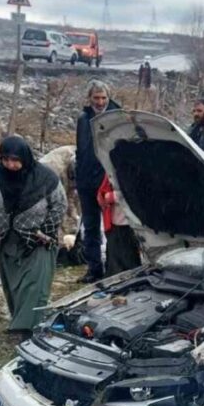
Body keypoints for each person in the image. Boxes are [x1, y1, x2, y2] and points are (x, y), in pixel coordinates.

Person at [0, 136, 66, 338]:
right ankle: (22, 322)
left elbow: (59, 206)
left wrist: (45, 231)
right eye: (6, 159)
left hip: (38, 241)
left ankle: (25, 330)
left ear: (25, 157)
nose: (10, 165)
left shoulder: (46, 178)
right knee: (15, 288)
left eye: (15, 160)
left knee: (34, 287)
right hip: (6, 241)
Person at [74, 80, 120, 283]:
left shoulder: (118, 118)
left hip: (109, 181)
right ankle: (94, 269)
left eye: (103, 98)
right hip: (86, 181)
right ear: (90, 98)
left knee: (115, 227)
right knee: (91, 226)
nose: (100, 102)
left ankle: (115, 268)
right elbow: (80, 150)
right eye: (96, 98)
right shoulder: (84, 119)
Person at [97, 174, 142, 276]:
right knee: (116, 251)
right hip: (115, 219)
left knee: (128, 254)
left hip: (128, 220)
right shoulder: (110, 170)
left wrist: (112, 196)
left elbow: (135, 190)